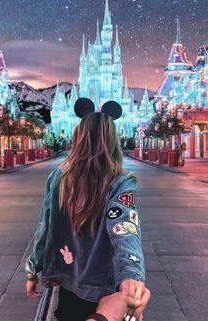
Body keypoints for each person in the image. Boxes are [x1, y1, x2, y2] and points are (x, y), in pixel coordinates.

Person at [25, 98, 150, 321]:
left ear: (78, 138)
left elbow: (44, 226)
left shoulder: (58, 178)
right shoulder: (120, 182)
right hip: (105, 290)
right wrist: (131, 275)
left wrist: (33, 269)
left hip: (69, 281)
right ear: (113, 141)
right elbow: (125, 227)